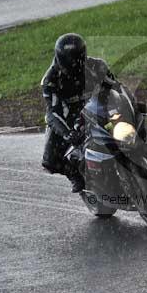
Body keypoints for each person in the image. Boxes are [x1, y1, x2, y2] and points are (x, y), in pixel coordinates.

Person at [41, 33, 116, 193]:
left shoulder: (98, 66)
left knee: (125, 122)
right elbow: (53, 112)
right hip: (66, 118)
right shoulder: (50, 80)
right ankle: (75, 174)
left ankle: (140, 143)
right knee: (49, 161)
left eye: (78, 60)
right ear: (61, 60)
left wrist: (130, 102)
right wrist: (68, 133)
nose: (74, 66)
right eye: (70, 62)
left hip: (96, 108)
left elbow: (116, 88)